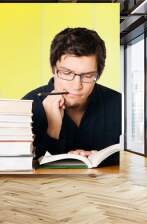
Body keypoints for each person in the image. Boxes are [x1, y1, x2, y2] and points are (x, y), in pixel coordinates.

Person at [22, 27, 121, 166]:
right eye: (67, 73)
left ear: (98, 74)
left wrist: (104, 158)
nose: (76, 85)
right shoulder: (27, 106)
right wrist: (53, 128)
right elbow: (20, 164)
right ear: (53, 69)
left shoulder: (118, 104)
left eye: (87, 76)